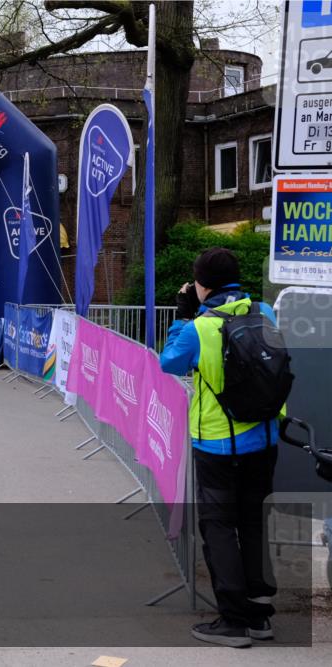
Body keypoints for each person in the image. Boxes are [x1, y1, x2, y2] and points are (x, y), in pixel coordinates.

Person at [160, 247, 280, 648]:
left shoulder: (200, 326)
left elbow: (170, 363)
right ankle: (260, 616)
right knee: (253, 521)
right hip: (264, 437)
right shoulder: (265, 312)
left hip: (217, 442)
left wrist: (182, 315)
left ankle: (233, 621)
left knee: (219, 527)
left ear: (200, 284)